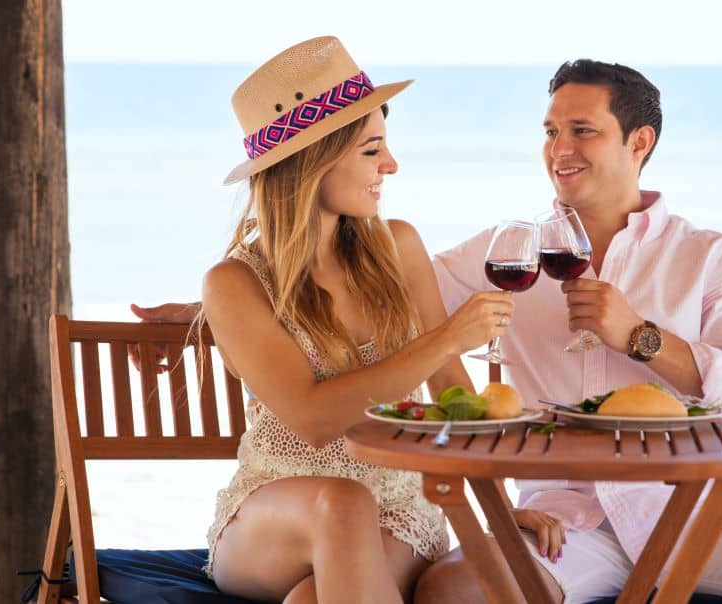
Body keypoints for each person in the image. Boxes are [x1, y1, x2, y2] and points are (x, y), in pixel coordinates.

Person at [135, 58, 722, 603]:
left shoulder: (712, 259)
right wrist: (208, 313)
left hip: (694, 511)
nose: (558, 149)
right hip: (563, 522)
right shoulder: (510, 253)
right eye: (549, 130)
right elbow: (355, 311)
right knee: (448, 592)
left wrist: (642, 338)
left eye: (583, 131)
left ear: (639, 142)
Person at [180, 36, 523, 604]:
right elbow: (315, 419)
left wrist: (506, 516)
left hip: (400, 509)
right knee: (341, 501)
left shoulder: (399, 247)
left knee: (323, 597)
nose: (391, 165)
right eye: (371, 150)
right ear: (312, 161)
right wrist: (443, 339)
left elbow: (453, 400)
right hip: (277, 515)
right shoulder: (235, 283)